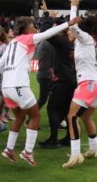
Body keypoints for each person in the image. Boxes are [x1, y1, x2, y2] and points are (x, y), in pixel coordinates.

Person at [0, 15, 81, 166]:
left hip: (6, 87)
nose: (35, 28)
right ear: (27, 29)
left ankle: (9, 149)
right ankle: (28, 152)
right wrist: (68, 23)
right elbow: (47, 34)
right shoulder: (27, 38)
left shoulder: (12, 43)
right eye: (33, 26)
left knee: (19, 117)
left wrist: (9, 76)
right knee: (35, 116)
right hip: (18, 85)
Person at [62, 0, 97, 169]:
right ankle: (94, 149)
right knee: (86, 116)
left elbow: (72, 26)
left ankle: (75, 156)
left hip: (88, 82)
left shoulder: (86, 38)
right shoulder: (92, 43)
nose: (72, 32)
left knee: (72, 117)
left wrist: (74, 6)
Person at [38, 17, 77, 149]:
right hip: (69, 80)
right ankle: (68, 138)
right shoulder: (65, 41)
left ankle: (53, 140)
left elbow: (44, 32)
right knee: (66, 111)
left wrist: (48, 15)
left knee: (52, 109)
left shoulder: (61, 41)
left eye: (56, 27)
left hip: (62, 81)